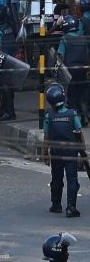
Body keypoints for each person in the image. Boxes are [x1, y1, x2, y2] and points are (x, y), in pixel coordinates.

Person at [43, 83, 84, 217]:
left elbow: (46, 138)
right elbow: (79, 133)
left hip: (56, 153)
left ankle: (56, 205)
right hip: (71, 153)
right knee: (72, 179)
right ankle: (71, 207)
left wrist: (45, 154)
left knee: (56, 179)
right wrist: (83, 151)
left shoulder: (49, 116)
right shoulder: (72, 114)